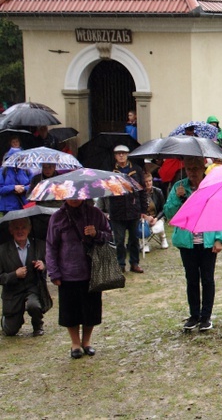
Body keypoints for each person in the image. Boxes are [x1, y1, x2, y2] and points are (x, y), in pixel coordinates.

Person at [163, 157, 222, 331]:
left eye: (195, 168)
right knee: (191, 279)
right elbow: (169, 213)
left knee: (207, 279)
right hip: (187, 242)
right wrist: (177, 199)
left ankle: (206, 317)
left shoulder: (211, 186)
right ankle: (194, 315)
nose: (192, 172)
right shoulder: (179, 187)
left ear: (203, 168)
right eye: (189, 169)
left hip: (207, 242)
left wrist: (220, 238)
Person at [46, 198, 112, 358]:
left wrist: (97, 233)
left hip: (92, 270)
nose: (74, 198)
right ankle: (75, 344)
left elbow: (110, 236)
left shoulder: (95, 213)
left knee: (91, 310)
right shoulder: (57, 217)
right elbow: (51, 246)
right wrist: (53, 272)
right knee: (71, 311)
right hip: (67, 272)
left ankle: (87, 342)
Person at [0, 217, 49, 337]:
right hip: (13, 292)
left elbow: (52, 264)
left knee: (34, 305)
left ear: (29, 229)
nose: (20, 231)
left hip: (33, 288)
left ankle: (38, 325)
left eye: (23, 228)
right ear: (11, 230)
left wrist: (44, 265)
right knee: (10, 331)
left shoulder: (39, 245)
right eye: (16, 228)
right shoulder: (2, 250)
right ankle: (8, 319)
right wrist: (14, 275)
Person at [109, 145, 148, 273]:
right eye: (118, 153)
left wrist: (143, 210)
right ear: (114, 156)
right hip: (117, 210)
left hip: (133, 209)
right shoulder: (110, 171)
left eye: (124, 153)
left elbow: (142, 190)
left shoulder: (136, 170)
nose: (121, 156)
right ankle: (120, 263)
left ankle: (134, 263)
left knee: (134, 239)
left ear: (128, 154)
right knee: (119, 240)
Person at [143, 171, 169, 251]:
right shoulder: (140, 193)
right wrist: (146, 217)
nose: (148, 183)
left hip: (157, 216)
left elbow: (163, 209)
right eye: (146, 182)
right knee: (142, 226)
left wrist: (156, 218)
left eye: (150, 181)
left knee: (158, 227)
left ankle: (163, 238)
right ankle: (145, 243)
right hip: (145, 218)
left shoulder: (158, 191)